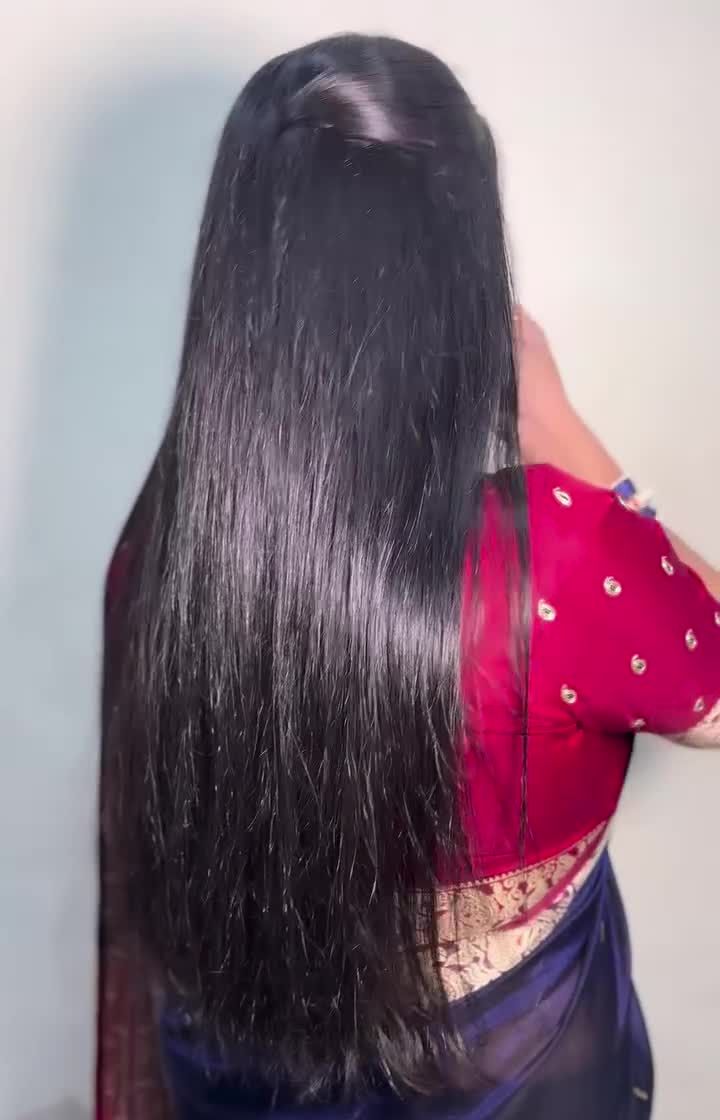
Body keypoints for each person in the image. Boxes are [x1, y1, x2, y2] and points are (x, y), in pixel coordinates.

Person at [96, 33, 720, 1120]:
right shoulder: (557, 560)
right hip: (511, 1088)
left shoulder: (165, 549)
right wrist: (566, 431)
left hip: (241, 1077)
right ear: (460, 267)